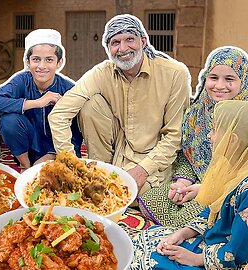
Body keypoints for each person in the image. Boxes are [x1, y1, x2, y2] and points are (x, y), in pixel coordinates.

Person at [48, 14, 191, 195]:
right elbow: (59, 114)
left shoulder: (174, 74)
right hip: (117, 152)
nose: (123, 48)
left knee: (126, 193)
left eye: (129, 39)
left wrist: (142, 170)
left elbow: (174, 136)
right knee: (90, 105)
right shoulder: (102, 72)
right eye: (115, 42)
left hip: (154, 158)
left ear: (143, 41)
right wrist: (72, 164)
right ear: (108, 48)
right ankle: (99, 171)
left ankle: (112, 183)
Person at [131, 100, 248, 269]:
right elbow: (213, 209)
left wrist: (195, 259)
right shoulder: (234, 166)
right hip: (212, 238)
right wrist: (184, 232)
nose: (209, 135)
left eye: (215, 130)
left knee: (148, 264)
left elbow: (237, 252)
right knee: (145, 243)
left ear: (232, 141)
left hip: (225, 259)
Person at [139, 46, 248, 227]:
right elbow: (186, 155)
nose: (219, 86)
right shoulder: (195, 113)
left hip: (230, 189)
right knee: (151, 199)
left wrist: (204, 189)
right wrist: (182, 181)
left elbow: (242, 175)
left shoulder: (244, 119)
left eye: (229, 79)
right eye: (213, 78)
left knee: (187, 219)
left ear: (244, 81)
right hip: (197, 179)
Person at [0, 29, 83, 170]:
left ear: (59, 62)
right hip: (28, 148)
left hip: (58, 150)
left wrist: (52, 154)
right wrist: (37, 102)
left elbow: (76, 131)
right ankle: (25, 166)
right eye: (36, 59)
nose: (42, 66)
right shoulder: (21, 80)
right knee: (9, 120)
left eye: (49, 60)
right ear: (27, 62)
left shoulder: (69, 89)